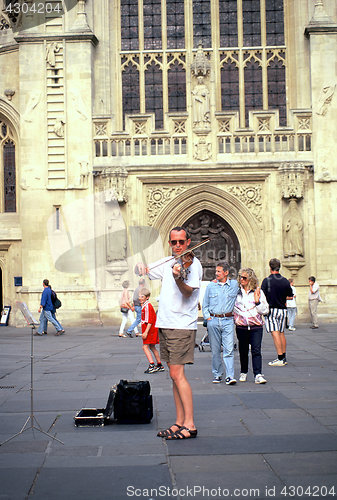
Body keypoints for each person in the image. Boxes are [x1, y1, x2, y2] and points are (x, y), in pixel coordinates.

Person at [137, 226, 202, 440]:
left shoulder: (193, 265)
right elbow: (146, 270)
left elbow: (187, 292)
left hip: (181, 325)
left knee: (177, 374)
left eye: (181, 242)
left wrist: (177, 278)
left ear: (188, 242)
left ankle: (190, 424)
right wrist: (140, 267)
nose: (177, 246)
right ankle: (179, 422)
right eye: (173, 242)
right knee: (173, 377)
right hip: (166, 323)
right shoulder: (168, 262)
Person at [202, 262, 239, 385]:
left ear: (226, 273)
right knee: (215, 350)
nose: (216, 273)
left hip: (228, 320)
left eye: (219, 271)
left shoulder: (234, 285)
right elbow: (205, 305)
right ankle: (217, 374)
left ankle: (230, 376)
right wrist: (208, 318)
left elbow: (247, 282)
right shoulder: (210, 286)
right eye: (216, 271)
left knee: (228, 349)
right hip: (213, 320)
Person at [233, 268, 269, 384]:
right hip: (241, 326)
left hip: (255, 326)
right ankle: (244, 371)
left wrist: (257, 302)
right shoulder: (236, 292)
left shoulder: (258, 292)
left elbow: (265, 310)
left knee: (256, 350)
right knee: (243, 350)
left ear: (250, 279)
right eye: (240, 277)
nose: (241, 280)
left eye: (244, 278)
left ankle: (258, 374)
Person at [261, 259, 293, 366]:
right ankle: (283, 356)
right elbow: (290, 296)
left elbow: (262, 296)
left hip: (272, 309)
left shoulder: (267, 281)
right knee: (281, 332)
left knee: (275, 332)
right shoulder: (285, 281)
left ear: (270, 267)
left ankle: (280, 358)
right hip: (283, 309)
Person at [139, 287, 164, 374]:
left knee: (145, 347)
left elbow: (149, 320)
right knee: (152, 347)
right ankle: (159, 364)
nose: (140, 298)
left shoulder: (147, 306)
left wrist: (145, 332)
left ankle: (152, 365)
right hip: (151, 329)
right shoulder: (146, 305)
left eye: (142, 297)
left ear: (147, 297)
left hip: (149, 330)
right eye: (140, 296)